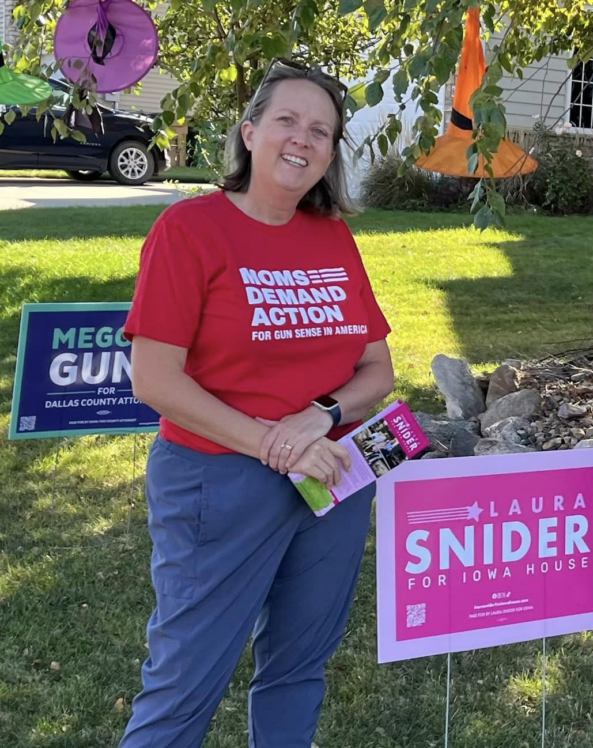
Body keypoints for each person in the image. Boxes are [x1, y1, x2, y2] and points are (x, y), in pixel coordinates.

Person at [120, 58, 395, 748]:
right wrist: (274, 441)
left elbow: (377, 370)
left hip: (332, 473)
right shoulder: (190, 230)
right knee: (185, 681)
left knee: (298, 668)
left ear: (331, 153)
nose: (303, 139)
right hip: (221, 482)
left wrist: (320, 417)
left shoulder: (331, 236)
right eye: (287, 121)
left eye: (322, 131)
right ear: (249, 132)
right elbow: (155, 379)